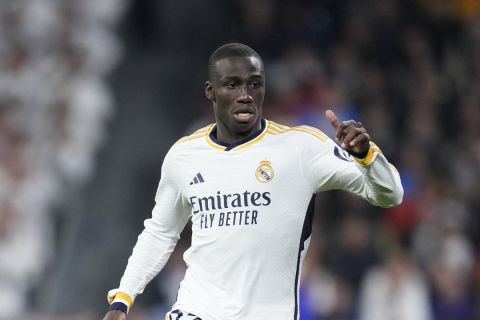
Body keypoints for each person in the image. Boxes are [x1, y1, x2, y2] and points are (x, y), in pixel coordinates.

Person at [103, 43, 403, 320]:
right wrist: (123, 299)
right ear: (211, 91)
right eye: (232, 85)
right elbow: (160, 232)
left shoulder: (300, 147)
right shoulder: (184, 155)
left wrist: (366, 155)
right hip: (197, 310)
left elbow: (390, 194)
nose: (245, 93)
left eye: (254, 84)